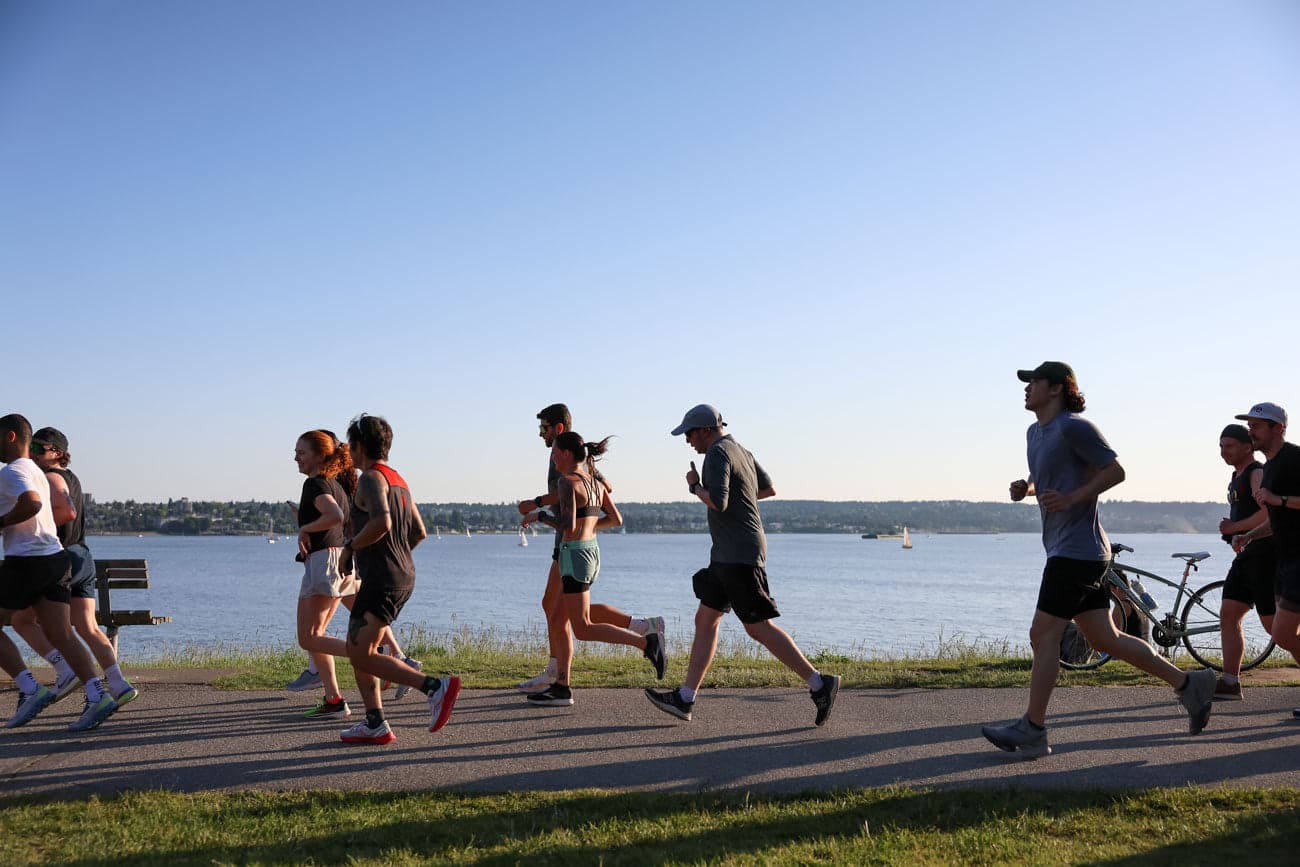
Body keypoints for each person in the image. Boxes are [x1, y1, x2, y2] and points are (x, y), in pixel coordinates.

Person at [981, 363, 1216, 758]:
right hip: (1071, 550)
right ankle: (1190, 685)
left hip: (1078, 552)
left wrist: (1073, 499)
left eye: (1034, 382)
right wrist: (1029, 487)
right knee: (1104, 639)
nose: (1027, 388)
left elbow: (1116, 471)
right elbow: (1054, 475)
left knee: (1042, 636)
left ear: (1056, 388)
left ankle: (1033, 729)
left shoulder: (1074, 427)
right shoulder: (1035, 432)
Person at [645, 404, 840, 727]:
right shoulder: (741, 451)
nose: (688, 441)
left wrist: (694, 486)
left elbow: (718, 502)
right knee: (705, 619)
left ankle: (820, 684)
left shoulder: (717, 454)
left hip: (738, 554)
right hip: (728, 553)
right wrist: (739, 498)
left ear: (705, 430)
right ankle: (685, 698)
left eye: (689, 434)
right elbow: (767, 489)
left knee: (757, 627)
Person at [515, 404, 663, 695]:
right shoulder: (573, 456)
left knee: (572, 620)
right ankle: (560, 676)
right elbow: (600, 491)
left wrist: (539, 505)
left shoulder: (567, 459)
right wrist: (587, 524)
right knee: (555, 608)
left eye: (544, 428)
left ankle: (641, 638)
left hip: (571, 546)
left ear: (559, 429)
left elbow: (592, 487)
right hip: (580, 547)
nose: (541, 434)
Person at [338, 413, 458, 745]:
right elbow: (418, 531)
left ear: (358, 446)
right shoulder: (398, 481)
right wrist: (395, 557)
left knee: (359, 653)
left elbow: (382, 522)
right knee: (360, 648)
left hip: (382, 578)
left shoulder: (370, 479)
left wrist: (351, 548)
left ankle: (434, 687)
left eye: (350, 445)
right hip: (401, 574)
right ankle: (374, 722)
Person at [0, 413, 119, 732]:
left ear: (11, 437)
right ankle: (98, 695)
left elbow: (32, 504)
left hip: (27, 561)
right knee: (61, 633)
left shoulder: (14, 471)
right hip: (54, 558)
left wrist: (1, 523)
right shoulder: (38, 473)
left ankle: (29, 687)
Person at [1227, 403, 1300, 719]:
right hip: (1286, 560)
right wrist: (1250, 535)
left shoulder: (1294, 458)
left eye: (1257, 426)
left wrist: (1278, 499)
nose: (1251, 431)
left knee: (1282, 634)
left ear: (1278, 428)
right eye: (1250, 426)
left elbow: (1281, 504)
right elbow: (1276, 519)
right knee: (1285, 634)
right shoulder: (1270, 467)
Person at [1214, 423, 1275, 700]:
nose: (1223, 451)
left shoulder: (1256, 473)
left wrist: (1235, 527)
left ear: (1248, 447)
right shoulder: (1236, 476)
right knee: (1229, 614)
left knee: (1275, 627)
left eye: (1229, 446)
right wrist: (1236, 531)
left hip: (1265, 555)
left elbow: (1268, 515)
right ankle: (1230, 682)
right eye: (1221, 446)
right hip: (1246, 556)